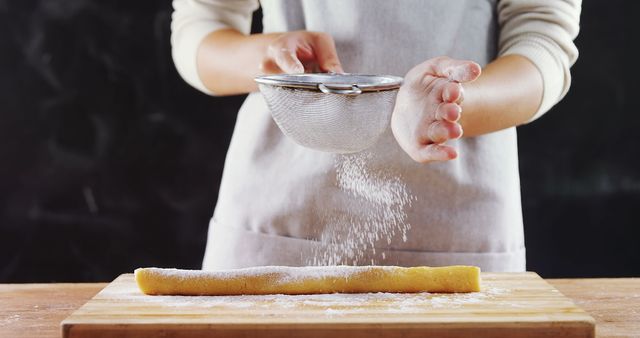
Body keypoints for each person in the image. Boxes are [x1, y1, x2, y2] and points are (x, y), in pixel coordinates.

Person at [171, 0, 581, 272]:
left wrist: (450, 103)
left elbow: (543, 42)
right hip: (276, 222)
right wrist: (269, 54)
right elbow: (202, 25)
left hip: (457, 224)